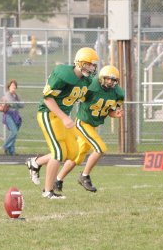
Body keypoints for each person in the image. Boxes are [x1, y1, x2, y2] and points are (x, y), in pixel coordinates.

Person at [25, 47, 99, 199]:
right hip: (48, 113)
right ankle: (48, 192)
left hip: (62, 116)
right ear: (80, 63)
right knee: (58, 153)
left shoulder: (86, 80)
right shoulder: (63, 73)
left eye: (93, 65)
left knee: (72, 153)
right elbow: (47, 98)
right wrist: (64, 118)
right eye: (89, 64)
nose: (92, 68)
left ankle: (36, 162)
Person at [52, 65, 125, 193]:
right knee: (100, 148)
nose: (110, 82)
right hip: (82, 123)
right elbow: (76, 97)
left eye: (113, 80)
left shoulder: (117, 93)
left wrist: (115, 114)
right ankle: (84, 176)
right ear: (102, 78)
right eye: (107, 79)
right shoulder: (91, 86)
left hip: (92, 126)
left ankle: (57, 180)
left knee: (77, 158)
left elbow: (110, 111)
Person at [0, 80, 24, 155]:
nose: (14, 87)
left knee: (14, 134)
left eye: (15, 85)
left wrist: (17, 104)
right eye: (12, 85)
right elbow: (12, 104)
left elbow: (22, 105)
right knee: (14, 132)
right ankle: (5, 146)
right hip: (8, 115)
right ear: (9, 87)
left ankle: (12, 151)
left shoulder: (16, 95)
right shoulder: (7, 95)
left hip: (15, 115)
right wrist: (17, 104)